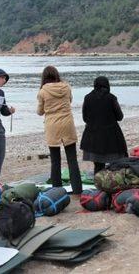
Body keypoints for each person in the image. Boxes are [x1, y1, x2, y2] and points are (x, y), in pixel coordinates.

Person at [36, 66, 82, 194]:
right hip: (67, 123)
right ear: (57, 75)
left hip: (52, 126)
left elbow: (40, 111)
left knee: (55, 160)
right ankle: (77, 189)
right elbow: (70, 101)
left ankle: (57, 191)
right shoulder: (66, 87)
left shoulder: (43, 92)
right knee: (72, 159)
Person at [80, 77, 128, 175]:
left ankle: (99, 182)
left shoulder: (87, 97)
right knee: (116, 164)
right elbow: (120, 116)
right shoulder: (111, 98)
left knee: (98, 166)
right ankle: (112, 183)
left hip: (93, 136)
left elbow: (85, 118)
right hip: (111, 136)